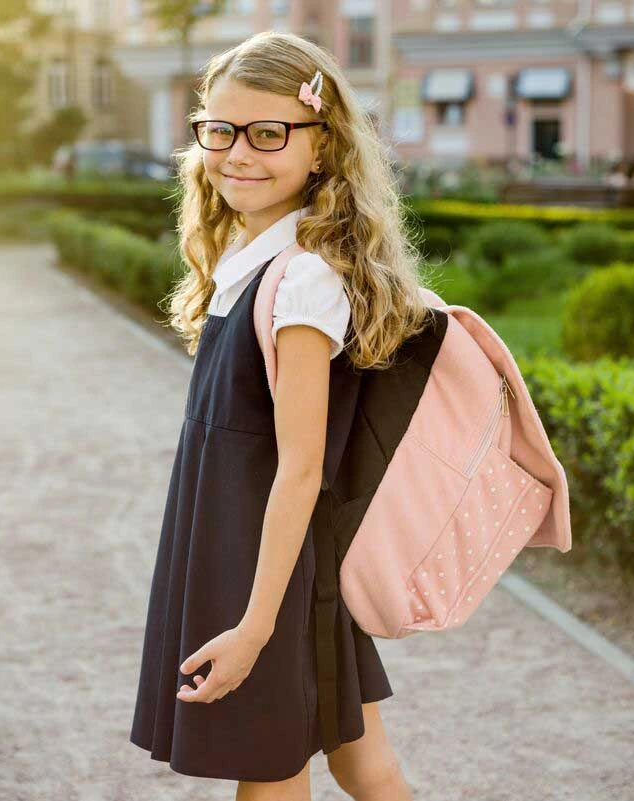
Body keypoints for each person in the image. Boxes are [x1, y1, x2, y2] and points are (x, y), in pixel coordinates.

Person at [129, 31, 428, 800]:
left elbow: (300, 466)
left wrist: (255, 626)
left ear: (322, 146)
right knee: (359, 759)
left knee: (269, 771)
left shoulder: (300, 283)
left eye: (269, 134)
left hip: (270, 572)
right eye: (220, 131)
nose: (238, 154)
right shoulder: (250, 261)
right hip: (256, 553)